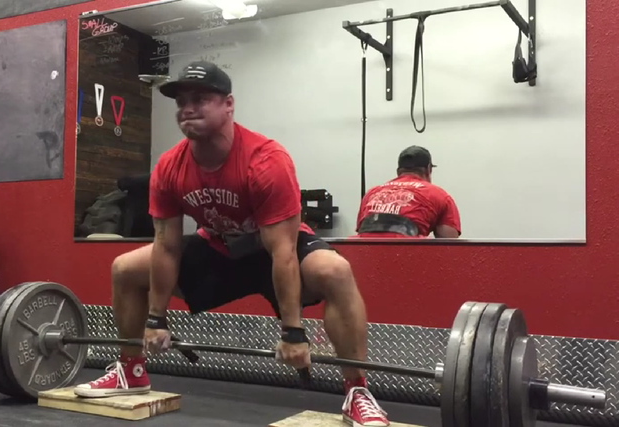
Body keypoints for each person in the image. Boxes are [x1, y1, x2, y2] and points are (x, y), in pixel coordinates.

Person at [74, 61, 391, 427]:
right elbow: (167, 245)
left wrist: (293, 332)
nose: (187, 108)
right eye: (181, 102)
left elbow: (283, 250)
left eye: (200, 99)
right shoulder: (169, 167)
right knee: (126, 269)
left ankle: (357, 390)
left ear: (229, 104)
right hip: (221, 248)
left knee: (335, 271)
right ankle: (131, 370)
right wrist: (155, 319)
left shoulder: (265, 160)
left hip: (275, 248)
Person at [355, 146, 461, 238]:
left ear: (398, 172)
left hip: (365, 254)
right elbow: (450, 245)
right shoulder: (439, 195)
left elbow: (361, 231)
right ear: (428, 169)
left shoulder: (371, 193)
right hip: (408, 253)